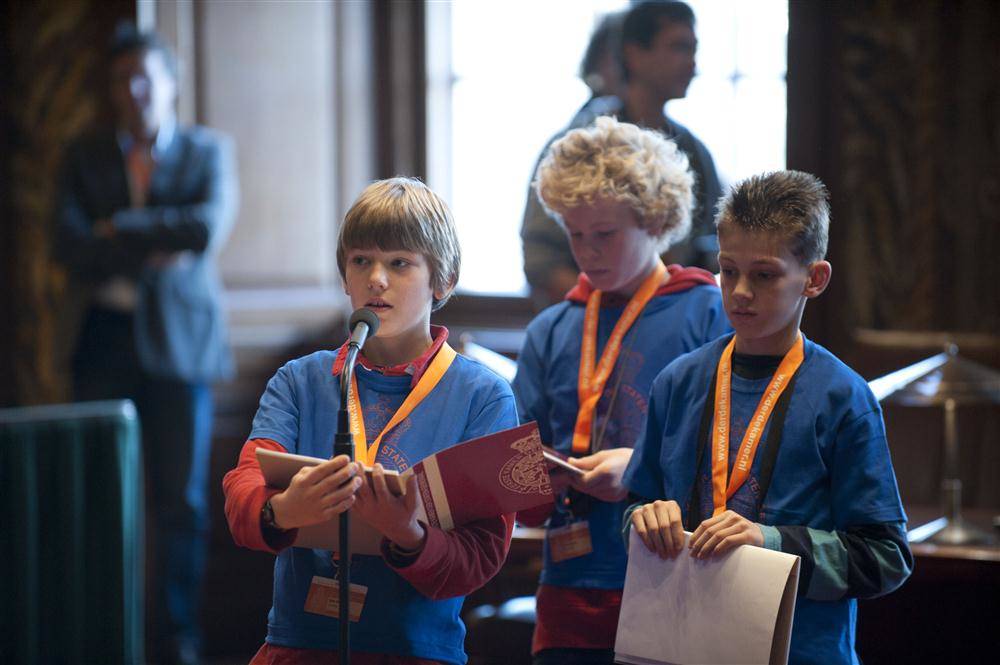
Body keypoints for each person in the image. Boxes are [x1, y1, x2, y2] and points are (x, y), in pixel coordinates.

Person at [222, 177, 519, 664]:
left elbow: (483, 555)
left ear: (443, 280)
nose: (376, 278)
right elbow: (243, 486)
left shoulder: (486, 396)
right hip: (299, 645)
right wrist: (282, 512)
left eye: (399, 263)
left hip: (415, 649)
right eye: (361, 261)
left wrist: (409, 536)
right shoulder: (299, 379)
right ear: (345, 277)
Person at [623, 171, 913, 665]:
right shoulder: (678, 382)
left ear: (814, 279)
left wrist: (769, 541)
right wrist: (643, 519)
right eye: (728, 269)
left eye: (764, 275)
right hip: (678, 643)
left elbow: (886, 558)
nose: (738, 292)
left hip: (803, 651)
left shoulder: (843, 398)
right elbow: (629, 509)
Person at [513, 117, 731, 665]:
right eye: (575, 234)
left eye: (605, 234)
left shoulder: (708, 312)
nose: (587, 252)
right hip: (568, 584)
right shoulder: (551, 328)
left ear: (656, 220)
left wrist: (638, 470)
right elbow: (515, 463)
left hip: (677, 578)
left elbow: (733, 454)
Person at [53, 24, 238, 665]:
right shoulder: (83, 155)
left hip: (181, 349)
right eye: (120, 80)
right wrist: (154, 240)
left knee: (182, 502)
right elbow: (66, 244)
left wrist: (116, 229)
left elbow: (204, 228)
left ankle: (179, 638)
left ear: (170, 83)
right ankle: (105, 632)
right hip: (101, 344)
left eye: (145, 77)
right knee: (101, 497)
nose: (133, 91)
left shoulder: (207, 152)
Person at [521, 0, 722, 307]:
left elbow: (712, 251)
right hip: (589, 324)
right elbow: (541, 260)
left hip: (674, 322)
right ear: (634, 54)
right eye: (678, 47)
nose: (692, 64)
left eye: (694, 49)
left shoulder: (694, 152)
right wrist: (611, 305)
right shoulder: (580, 146)